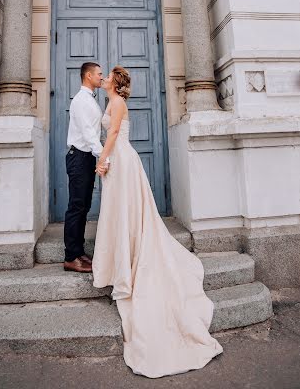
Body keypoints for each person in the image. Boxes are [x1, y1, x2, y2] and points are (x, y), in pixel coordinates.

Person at [92, 65, 224, 378]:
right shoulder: (110, 102)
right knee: (121, 212)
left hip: (120, 160)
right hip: (121, 160)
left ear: (115, 82)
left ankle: (132, 260)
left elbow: (112, 134)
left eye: (108, 75)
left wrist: (102, 159)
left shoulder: (117, 103)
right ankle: (125, 257)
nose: (105, 79)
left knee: (126, 212)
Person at [63, 62, 109, 273]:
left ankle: (79, 251)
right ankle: (71, 257)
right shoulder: (81, 101)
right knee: (76, 206)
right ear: (88, 75)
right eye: (99, 74)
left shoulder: (89, 99)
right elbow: (89, 134)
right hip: (79, 157)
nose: (102, 76)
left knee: (83, 206)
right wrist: (104, 157)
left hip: (86, 158)